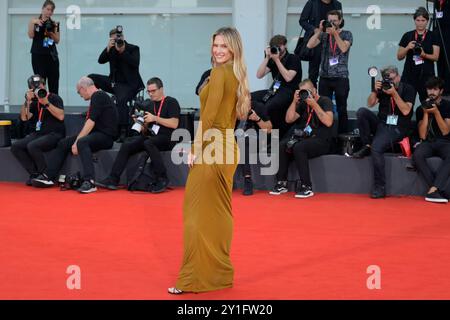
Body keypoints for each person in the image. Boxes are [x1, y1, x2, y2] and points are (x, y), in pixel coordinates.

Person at [168, 27, 251, 294]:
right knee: (219, 212)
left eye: (224, 47)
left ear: (233, 49)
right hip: (228, 148)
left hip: (213, 147)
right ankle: (220, 274)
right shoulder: (235, 74)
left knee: (194, 214)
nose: (217, 50)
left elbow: (210, 117)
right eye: (215, 45)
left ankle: (193, 279)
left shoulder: (218, 73)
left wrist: (195, 147)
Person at [32, 77, 118, 194]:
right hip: (96, 134)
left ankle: (90, 181)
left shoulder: (98, 96)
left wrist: (77, 141)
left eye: (79, 92)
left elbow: (90, 122)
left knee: (82, 142)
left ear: (83, 88)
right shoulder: (97, 97)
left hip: (106, 137)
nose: (80, 95)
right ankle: (49, 177)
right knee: (63, 143)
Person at [97, 77, 181, 193]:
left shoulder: (171, 102)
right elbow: (146, 131)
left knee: (148, 142)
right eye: (149, 91)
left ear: (161, 89)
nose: (151, 94)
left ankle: (162, 178)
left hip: (168, 137)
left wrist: (155, 118)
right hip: (152, 136)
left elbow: (174, 124)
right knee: (128, 143)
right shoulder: (150, 105)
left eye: (153, 91)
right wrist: (141, 124)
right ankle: (113, 179)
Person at [352, 66, 415, 199]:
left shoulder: (408, 89)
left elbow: (405, 111)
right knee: (362, 112)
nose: (390, 82)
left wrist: (394, 93)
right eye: (387, 79)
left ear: (398, 76)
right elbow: (370, 104)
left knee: (377, 148)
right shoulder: (382, 89)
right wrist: (375, 91)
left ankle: (380, 186)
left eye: (392, 79)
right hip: (382, 123)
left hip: (398, 127)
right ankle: (367, 145)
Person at [269, 79, 333, 198]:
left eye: (307, 91)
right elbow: (289, 119)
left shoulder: (325, 101)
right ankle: (281, 183)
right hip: (305, 138)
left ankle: (306, 186)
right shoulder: (303, 104)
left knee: (299, 147)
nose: (305, 94)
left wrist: (314, 104)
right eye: (302, 92)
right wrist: (294, 102)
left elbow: (328, 122)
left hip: (321, 140)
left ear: (314, 90)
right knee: (283, 145)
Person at [89, 27, 144, 141]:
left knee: (121, 99)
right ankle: (95, 102)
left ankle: (122, 130)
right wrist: (108, 48)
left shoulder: (133, 48)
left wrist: (122, 51)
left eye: (120, 37)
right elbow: (101, 60)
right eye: (115, 38)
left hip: (129, 85)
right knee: (91, 78)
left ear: (123, 37)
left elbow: (135, 63)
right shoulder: (112, 49)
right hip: (114, 82)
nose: (118, 39)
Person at [11, 75, 65, 186]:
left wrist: (46, 102)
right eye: (34, 86)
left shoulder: (54, 98)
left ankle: (46, 175)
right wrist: (27, 101)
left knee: (32, 145)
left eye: (40, 85)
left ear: (44, 85)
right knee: (16, 146)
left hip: (55, 133)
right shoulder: (34, 102)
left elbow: (61, 116)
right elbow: (25, 118)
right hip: (39, 133)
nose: (38, 88)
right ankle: (35, 174)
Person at [307, 9, 352, 134]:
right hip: (325, 77)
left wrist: (335, 34)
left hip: (341, 77)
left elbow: (343, 48)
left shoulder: (347, 34)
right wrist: (319, 31)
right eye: (329, 20)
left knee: (342, 108)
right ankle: (325, 136)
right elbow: (310, 45)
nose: (332, 23)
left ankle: (342, 136)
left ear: (340, 21)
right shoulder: (324, 35)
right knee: (324, 107)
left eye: (334, 21)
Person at [253, 35, 302, 138]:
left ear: (285, 46)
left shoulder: (293, 58)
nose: (277, 50)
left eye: (280, 47)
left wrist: (277, 60)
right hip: (275, 89)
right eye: (275, 47)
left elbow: (288, 78)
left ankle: (269, 133)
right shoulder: (272, 59)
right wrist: (267, 58)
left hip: (289, 90)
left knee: (269, 106)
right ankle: (257, 127)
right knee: (249, 97)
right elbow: (259, 75)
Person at [413, 77, 450, 203]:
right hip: (428, 142)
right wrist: (426, 113)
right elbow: (422, 135)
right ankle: (436, 190)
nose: (432, 92)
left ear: (441, 91)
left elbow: (446, 131)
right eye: (429, 89)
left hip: (445, 142)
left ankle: (434, 189)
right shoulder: (420, 109)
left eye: (435, 89)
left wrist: (436, 112)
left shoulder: (447, 106)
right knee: (417, 154)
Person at [398, 7, 440, 102]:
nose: (420, 23)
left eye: (423, 20)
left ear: (427, 21)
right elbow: (399, 57)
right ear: (414, 20)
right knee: (405, 103)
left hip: (427, 76)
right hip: (409, 76)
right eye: (418, 20)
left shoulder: (433, 36)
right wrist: (407, 47)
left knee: (428, 104)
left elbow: (436, 57)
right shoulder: (407, 35)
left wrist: (424, 55)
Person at [299, 0, 343, 88]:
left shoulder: (337, 4)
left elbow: (341, 22)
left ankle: (327, 97)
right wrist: (315, 29)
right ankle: (312, 97)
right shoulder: (312, 3)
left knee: (332, 69)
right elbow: (302, 21)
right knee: (313, 73)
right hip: (316, 40)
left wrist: (335, 30)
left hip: (331, 41)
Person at [28, 0, 60, 94]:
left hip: (51, 57)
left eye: (51, 10)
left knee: (54, 83)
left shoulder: (55, 24)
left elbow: (57, 40)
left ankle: (54, 105)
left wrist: (50, 32)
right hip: (38, 56)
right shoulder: (34, 21)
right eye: (48, 9)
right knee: (40, 84)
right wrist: (33, 23)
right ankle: (41, 106)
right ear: (43, 8)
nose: (49, 12)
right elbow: (30, 35)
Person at [435, 0, 450, 95]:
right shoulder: (437, 3)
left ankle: (448, 90)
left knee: (447, 62)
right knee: (440, 62)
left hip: (448, 36)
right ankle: (442, 89)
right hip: (439, 36)